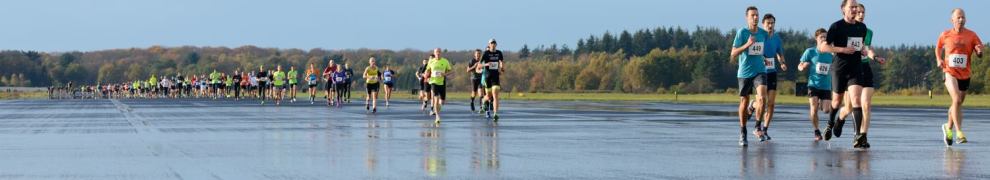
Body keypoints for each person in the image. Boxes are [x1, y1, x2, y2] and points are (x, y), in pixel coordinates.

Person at [820, 0, 875, 148]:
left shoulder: (862, 27)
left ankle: (858, 136)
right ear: (843, 9)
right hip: (839, 68)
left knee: (856, 100)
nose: (855, 9)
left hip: (855, 68)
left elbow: (860, 46)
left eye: (856, 7)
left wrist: (864, 51)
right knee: (836, 102)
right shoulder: (836, 26)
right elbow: (824, 47)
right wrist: (842, 50)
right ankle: (830, 124)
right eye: (852, 7)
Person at [936, 8, 983, 146]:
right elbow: (938, 47)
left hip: (965, 74)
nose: (961, 19)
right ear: (952, 20)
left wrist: (979, 51)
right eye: (958, 17)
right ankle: (959, 133)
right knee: (956, 99)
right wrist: (939, 59)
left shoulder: (972, 35)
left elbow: (979, 49)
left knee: (957, 103)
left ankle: (948, 127)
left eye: (963, 17)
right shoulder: (945, 34)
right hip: (949, 71)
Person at [728, 6, 769, 146]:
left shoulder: (763, 33)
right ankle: (743, 131)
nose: (755, 17)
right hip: (745, 72)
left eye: (757, 15)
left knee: (762, 98)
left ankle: (757, 127)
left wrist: (764, 57)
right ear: (747, 17)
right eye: (753, 15)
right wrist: (747, 44)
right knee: (744, 102)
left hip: (760, 71)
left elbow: (761, 50)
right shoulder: (742, 32)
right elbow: (733, 53)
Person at [756, 13, 787, 142]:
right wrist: (761, 58)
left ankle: (765, 129)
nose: (770, 25)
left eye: (772, 23)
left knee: (771, 103)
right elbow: (755, 51)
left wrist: (782, 62)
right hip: (760, 72)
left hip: (772, 71)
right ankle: (757, 126)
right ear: (763, 24)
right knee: (761, 101)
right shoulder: (760, 36)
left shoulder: (777, 38)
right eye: (768, 23)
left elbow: (779, 53)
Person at [799, 28, 834, 141]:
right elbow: (800, 65)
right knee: (813, 108)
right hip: (813, 84)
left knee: (826, 110)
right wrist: (802, 67)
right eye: (821, 37)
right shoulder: (810, 52)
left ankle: (821, 104)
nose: (824, 39)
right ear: (816, 39)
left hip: (826, 86)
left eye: (825, 37)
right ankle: (817, 131)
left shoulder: (831, 53)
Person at [482, 39, 506, 121]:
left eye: (494, 43)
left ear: (496, 44)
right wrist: (486, 64)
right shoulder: (486, 53)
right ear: (489, 44)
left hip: (495, 76)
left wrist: (502, 67)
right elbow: (479, 65)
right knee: (489, 96)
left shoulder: (499, 53)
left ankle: (495, 114)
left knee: (495, 95)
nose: (493, 44)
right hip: (487, 77)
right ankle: (484, 101)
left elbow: (501, 62)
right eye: (491, 43)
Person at [426, 48, 452, 123]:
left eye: (439, 52)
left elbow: (450, 71)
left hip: (442, 82)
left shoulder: (445, 61)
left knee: (442, 101)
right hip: (433, 82)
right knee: (436, 99)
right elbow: (427, 70)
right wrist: (427, 76)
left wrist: (444, 74)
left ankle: (436, 110)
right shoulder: (431, 61)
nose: (438, 53)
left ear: (441, 53)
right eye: (436, 52)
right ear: (434, 53)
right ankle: (437, 116)